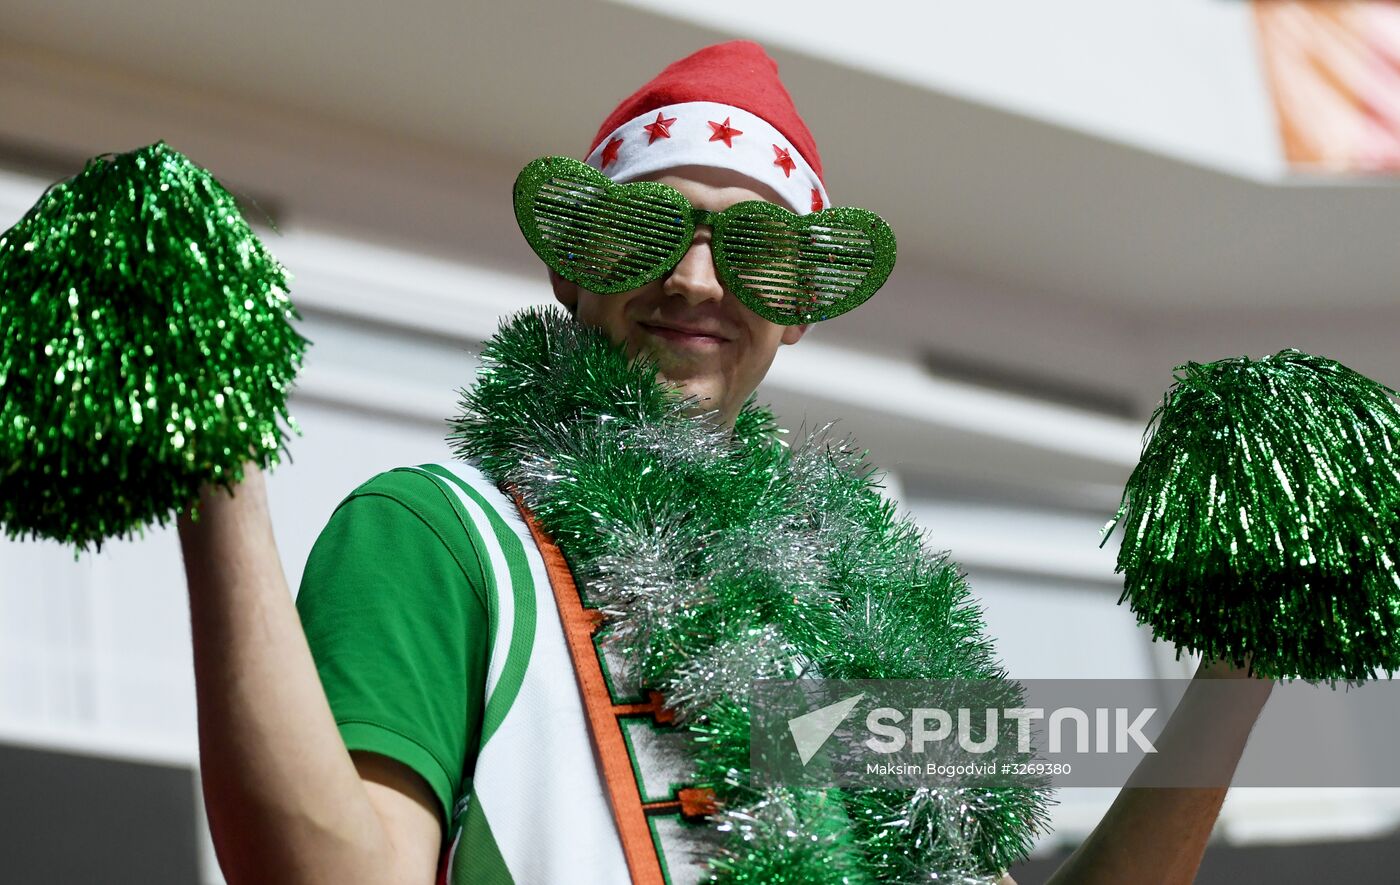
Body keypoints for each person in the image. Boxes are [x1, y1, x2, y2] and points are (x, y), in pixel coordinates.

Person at [177, 41, 1272, 885]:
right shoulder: (448, 533)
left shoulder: (862, 615)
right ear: (570, 272)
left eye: (749, 250)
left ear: (794, 311)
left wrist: (1238, 669)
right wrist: (216, 471)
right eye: (649, 232)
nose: (696, 281)